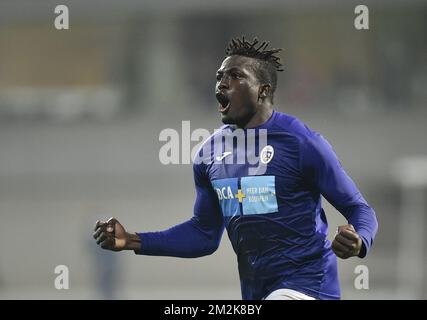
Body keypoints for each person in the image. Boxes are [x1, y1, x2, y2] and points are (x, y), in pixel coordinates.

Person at [93, 36, 378, 300]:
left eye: (235, 76)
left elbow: (359, 208)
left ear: (263, 91)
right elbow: (203, 234)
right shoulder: (209, 154)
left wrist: (359, 241)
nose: (221, 84)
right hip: (256, 292)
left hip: (309, 287)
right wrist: (131, 240)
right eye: (219, 77)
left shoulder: (302, 143)